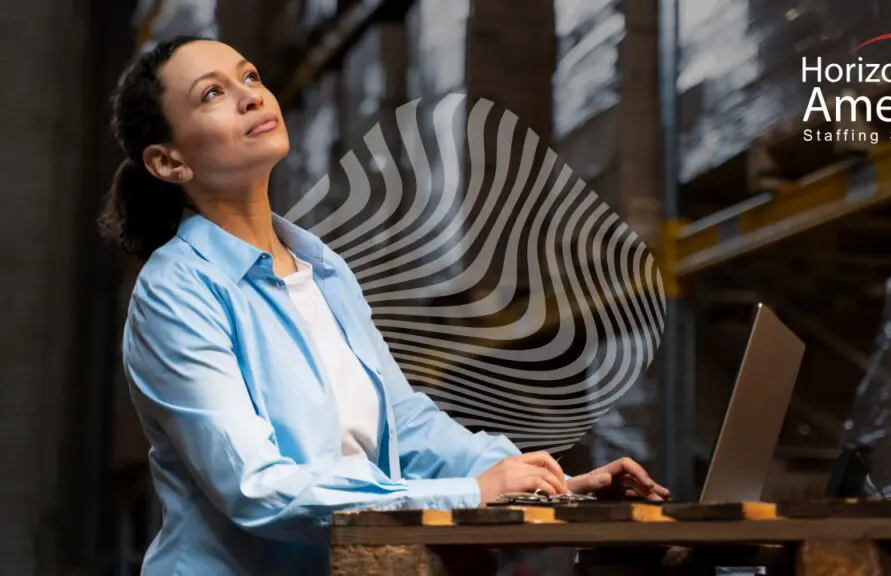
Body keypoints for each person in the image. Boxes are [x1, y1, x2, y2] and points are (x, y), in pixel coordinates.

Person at [99, 35, 670, 575]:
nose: (251, 95)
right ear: (168, 162)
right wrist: (471, 494)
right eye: (213, 94)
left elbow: (402, 422)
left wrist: (538, 482)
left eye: (249, 76)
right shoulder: (177, 291)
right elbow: (256, 487)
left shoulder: (322, 270)